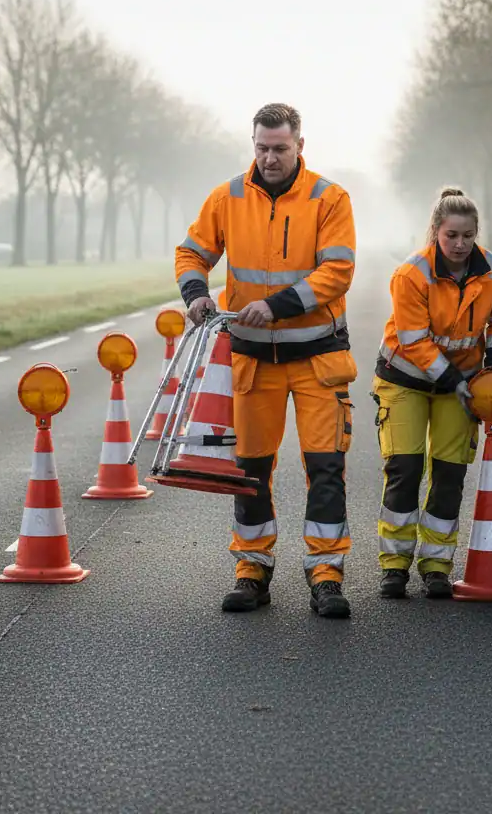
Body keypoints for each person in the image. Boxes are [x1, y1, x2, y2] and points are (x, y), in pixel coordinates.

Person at [176, 103, 358, 619]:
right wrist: (195, 293)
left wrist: (275, 305)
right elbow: (191, 253)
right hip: (252, 360)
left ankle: (326, 574)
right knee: (250, 470)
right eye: (262, 148)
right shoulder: (228, 197)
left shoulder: (329, 198)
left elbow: (337, 272)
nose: (270, 157)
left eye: (280, 148)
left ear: (300, 144)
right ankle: (252, 569)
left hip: (318, 359)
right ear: (252, 144)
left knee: (326, 468)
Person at [373, 187, 492, 599]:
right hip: (404, 380)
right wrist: (458, 382)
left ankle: (437, 565)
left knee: (449, 474)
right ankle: (394, 566)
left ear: (477, 233)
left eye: (467, 236)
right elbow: (415, 342)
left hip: (462, 382)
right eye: (451, 235)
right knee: (404, 470)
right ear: (435, 231)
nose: (459, 244)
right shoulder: (411, 274)